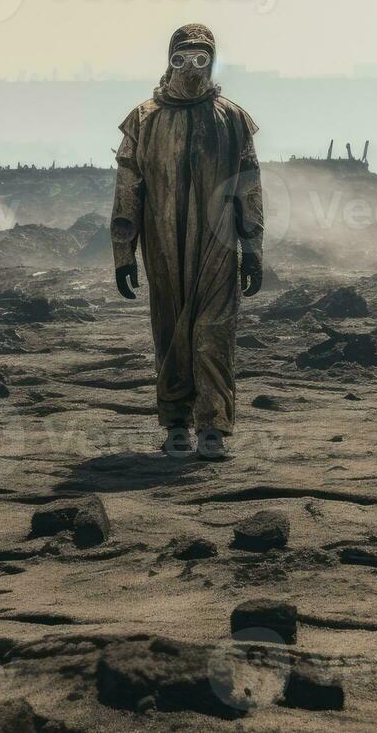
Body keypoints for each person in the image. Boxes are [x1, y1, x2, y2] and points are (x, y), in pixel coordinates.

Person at [111, 24, 265, 461]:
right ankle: (176, 422)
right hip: (162, 245)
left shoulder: (232, 119)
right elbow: (128, 189)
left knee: (214, 333)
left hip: (218, 245)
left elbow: (248, 188)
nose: (192, 68)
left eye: (201, 58)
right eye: (183, 58)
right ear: (169, 59)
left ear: (213, 61)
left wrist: (252, 250)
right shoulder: (143, 118)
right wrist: (124, 251)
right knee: (171, 331)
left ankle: (212, 426)